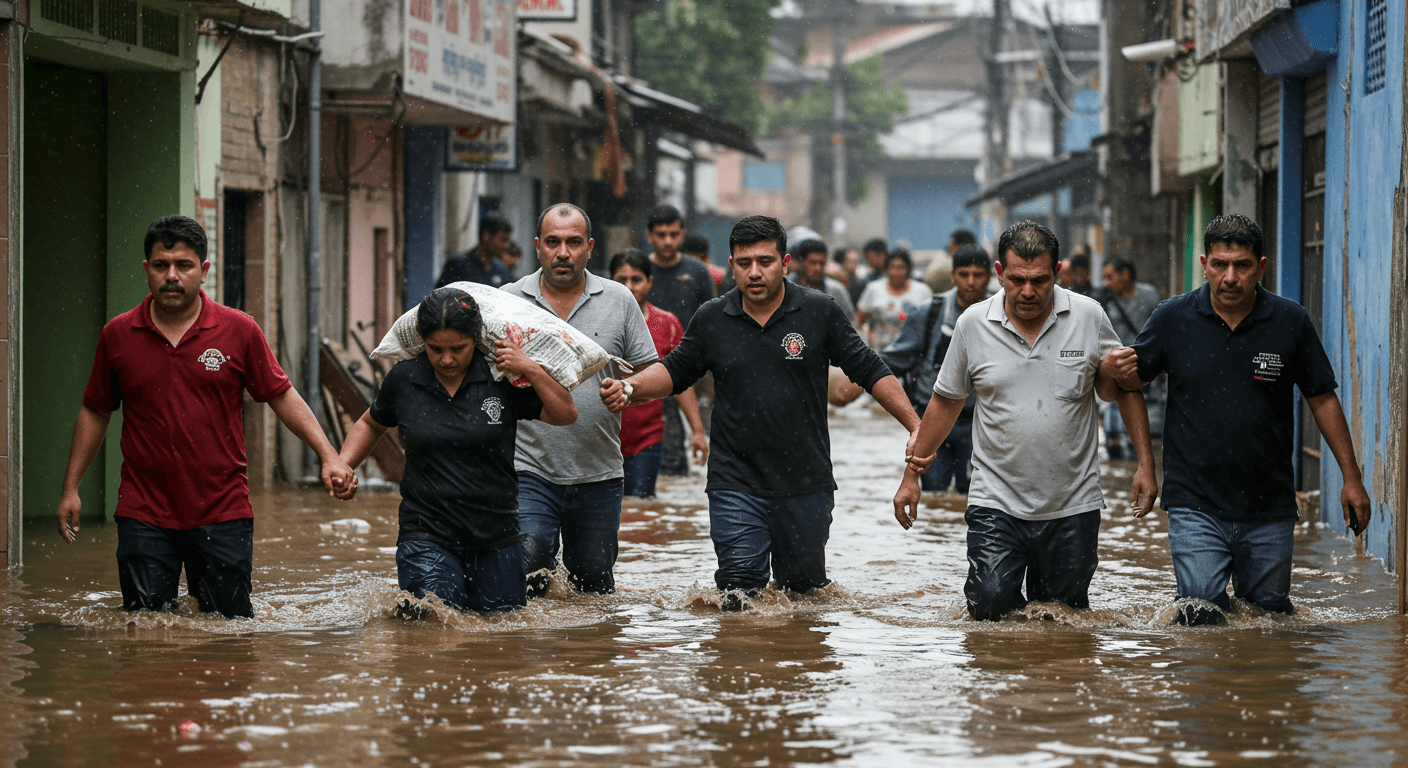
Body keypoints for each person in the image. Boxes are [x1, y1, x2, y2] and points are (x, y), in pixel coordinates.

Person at [600, 215, 922, 610]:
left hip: (806, 481)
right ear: (731, 265)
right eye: (744, 262)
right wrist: (630, 387)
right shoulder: (712, 319)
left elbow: (870, 368)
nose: (755, 272)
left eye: (765, 262)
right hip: (734, 481)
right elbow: (674, 371)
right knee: (739, 591)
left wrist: (915, 427)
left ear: (785, 264)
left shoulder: (819, 311)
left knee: (803, 596)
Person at [55, 215, 356, 619]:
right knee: (144, 629)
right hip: (144, 510)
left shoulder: (239, 330)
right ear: (146, 271)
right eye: (161, 266)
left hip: (222, 510)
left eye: (184, 265)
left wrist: (329, 455)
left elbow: (281, 395)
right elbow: (96, 409)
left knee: (227, 632)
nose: (172, 276)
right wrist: (71, 487)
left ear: (204, 271)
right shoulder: (119, 335)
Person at [1103, 214, 1371, 626]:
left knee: (1268, 620)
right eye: (1220, 265)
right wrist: (1145, 464)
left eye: (1242, 266)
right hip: (1194, 503)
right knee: (1200, 617)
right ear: (1204, 264)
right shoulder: (1172, 318)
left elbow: (1322, 399)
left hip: (1269, 504)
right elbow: (1128, 383)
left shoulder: (1289, 321)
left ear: (1261, 267)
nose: (1230, 277)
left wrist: (1351, 478)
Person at [893, 221, 1157, 621]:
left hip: (1073, 502)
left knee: (1064, 619)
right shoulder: (972, 325)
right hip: (995, 499)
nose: (1028, 291)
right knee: (990, 607)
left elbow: (1121, 387)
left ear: (1058, 273)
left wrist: (1145, 464)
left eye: (1039, 280)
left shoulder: (1088, 316)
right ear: (1000, 274)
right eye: (1017, 280)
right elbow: (945, 403)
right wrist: (912, 474)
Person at [335, 287, 577, 614]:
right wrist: (343, 464)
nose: (447, 359)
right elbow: (371, 423)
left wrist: (531, 368)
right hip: (426, 531)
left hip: (496, 535)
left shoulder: (500, 376)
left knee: (500, 636)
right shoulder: (404, 379)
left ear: (476, 337)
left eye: (458, 349)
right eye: (436, 349)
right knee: (433, 625)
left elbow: (565, 414)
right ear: (422, 341)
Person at [503, 204, 659, 597]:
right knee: (528, 565)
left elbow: (653, 372)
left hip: (599, 471)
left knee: (593, 583)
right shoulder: (507, 300)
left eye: (573, 242)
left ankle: (587, 657)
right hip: (527, 467)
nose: (563, 253)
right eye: (553, 242)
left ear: (589, 248)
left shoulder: (619, 300)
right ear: (537, 247)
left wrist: (628, 389)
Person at [882, 244, 993, 493]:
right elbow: (897, 357)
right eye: (964, 275)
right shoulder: (929, 312)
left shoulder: (1000, 313)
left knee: (974, 493)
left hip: (979, 421)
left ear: (990, 276)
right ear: (953, 276)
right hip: (932, 417)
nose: (971, 282)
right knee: (934, 494)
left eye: (978, 275)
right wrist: (859, 374)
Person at [610, 249, 710, 497]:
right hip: (603, 437)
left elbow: (680, 381)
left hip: (647, 437)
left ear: (649, 282)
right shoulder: (597, 323)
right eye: (622, 280)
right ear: (610, 282)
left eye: (636, 279)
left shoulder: (666, 324)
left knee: (641, 508)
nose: (630, 286)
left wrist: (697, 431)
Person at [643, 205, 716, 478]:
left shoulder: (697, 272)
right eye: (661, 235)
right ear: (650, 236)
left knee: (683, 436)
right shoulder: (640, 271)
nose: (667, 241)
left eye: (673, 234)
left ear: (682, 234)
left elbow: (710, 319)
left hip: (689, 368)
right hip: (644, 366)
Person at [1097, 257, 1164, 458]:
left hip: (1147, 370)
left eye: (1110, 276)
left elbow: (1161, 330)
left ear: (1125, 275)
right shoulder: (1104, 301)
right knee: (1115, 432)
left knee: (1151, 425)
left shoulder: (1150, 296)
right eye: (1104, 278)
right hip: (1118, 371)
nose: (1107, 282)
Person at [856, 249, 933, 349]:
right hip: (879, 349)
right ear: (886, 269)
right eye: (892, 267)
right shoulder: (873, 289)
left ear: (908, 269)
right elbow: (860, 318)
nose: (896, 272)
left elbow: (931, 321)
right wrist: (868, 336)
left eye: (901, 267)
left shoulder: (922, 291)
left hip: (912, 350)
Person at [786, 238, 856, 325]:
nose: (818, 268)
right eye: (813, 263)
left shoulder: (836, 291)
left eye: (822, 263)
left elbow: (850, 323)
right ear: (801, 262)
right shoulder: (785, 287)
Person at [436, 212, 514, 288]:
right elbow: (440, 297)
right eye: (503, 240)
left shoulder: (501, 271)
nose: (506, 246)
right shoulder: (458, 265)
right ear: (486, 236)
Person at [851, 237, 890, 305]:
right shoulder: (870, 278)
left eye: (869, 258)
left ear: (881, 255)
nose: (868, 261)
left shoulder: (892, 276)